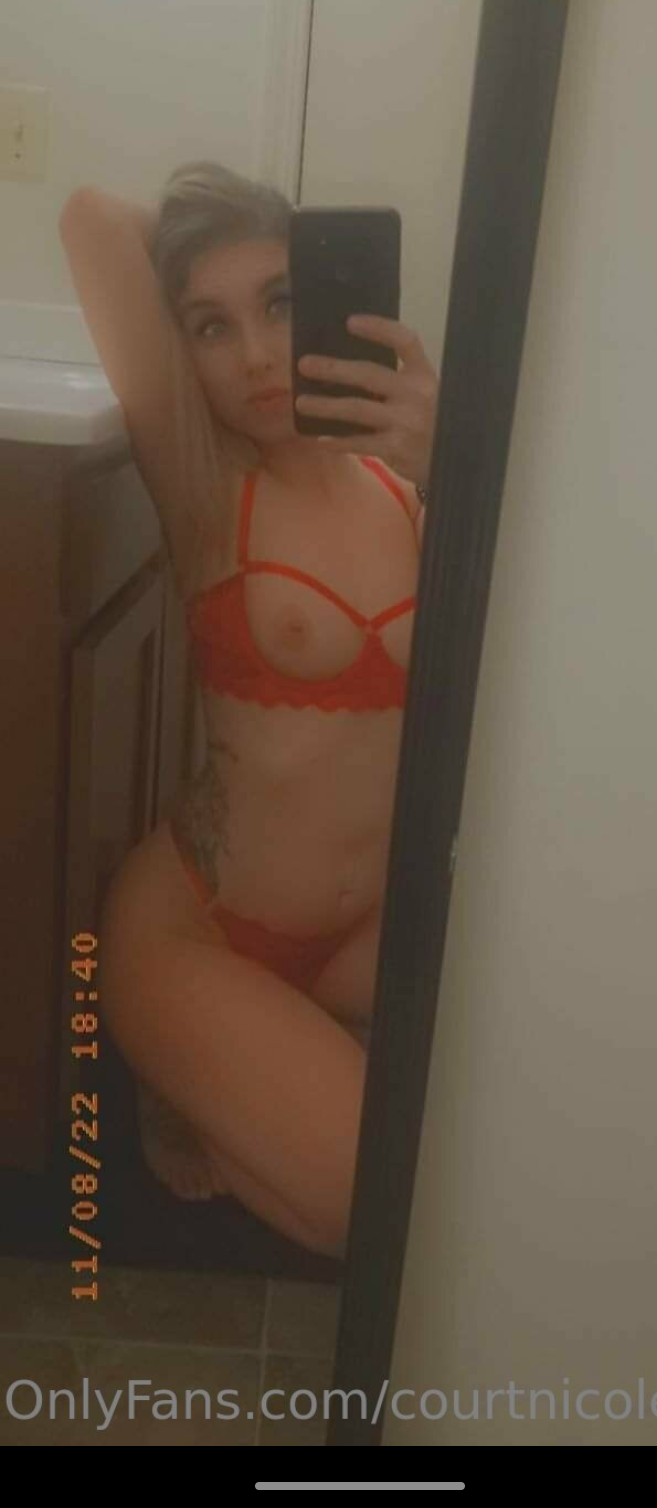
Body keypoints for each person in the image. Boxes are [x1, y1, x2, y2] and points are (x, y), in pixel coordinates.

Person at [59, 162, 437, 1259]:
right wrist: (214, 228)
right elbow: (90, 218)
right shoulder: (205, 483)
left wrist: (451, 454)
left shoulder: (405, 485)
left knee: (496, 1137)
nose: (258, 355)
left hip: (359, 939)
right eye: (210, 327)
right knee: (381, 1213)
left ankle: (232, 1086)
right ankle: (185, 1062)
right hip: (200, 931)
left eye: (280, 302)